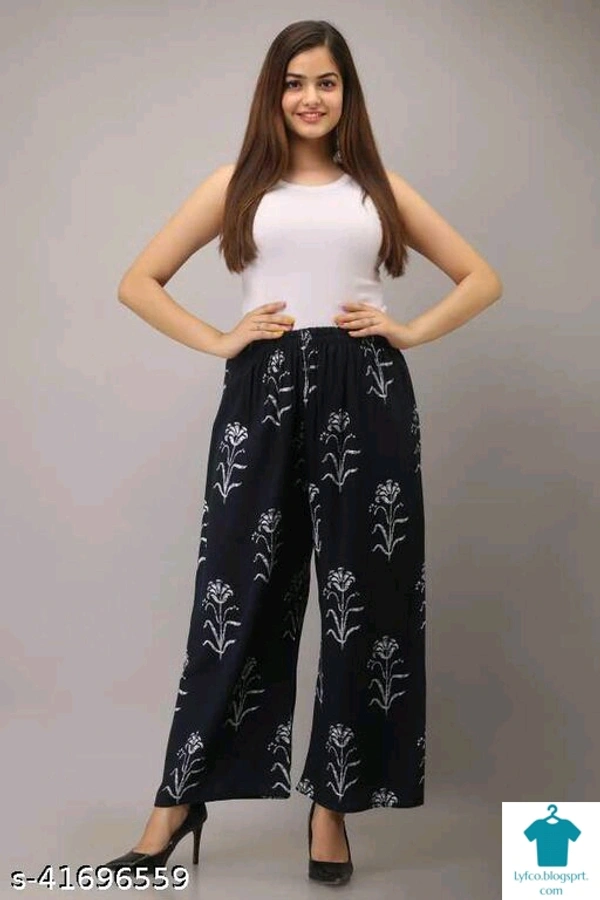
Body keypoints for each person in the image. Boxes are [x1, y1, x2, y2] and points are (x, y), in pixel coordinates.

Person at [101, 18, 502, 887]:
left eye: (326, 81)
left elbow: (482, 277)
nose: (310, 97)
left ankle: (332, 806)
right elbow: (138, 282)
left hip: (368, 395)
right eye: (294, 82)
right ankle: (177, 801)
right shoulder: (236, 186)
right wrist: (221, 340)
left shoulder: (378, 190)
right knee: (235, 595)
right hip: (265, 393)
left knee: (366, 605)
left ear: (347, 93)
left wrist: (407, 330)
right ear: (272, 93)